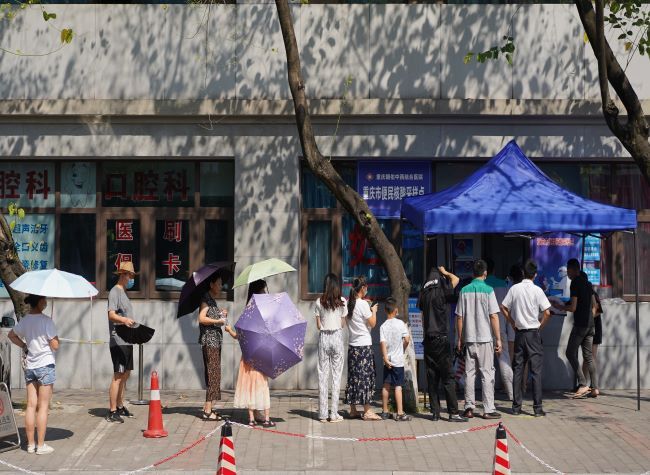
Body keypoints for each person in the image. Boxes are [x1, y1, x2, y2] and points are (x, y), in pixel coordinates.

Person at [8, 294, 59, 455]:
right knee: (43, 407)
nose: (45, 301)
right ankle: (41, 445)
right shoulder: (46, 321)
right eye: (43, 299)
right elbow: (55, 345)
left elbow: (11, 335)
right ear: (39, 302)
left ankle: (30, 445)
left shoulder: (25, 320)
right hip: (45, 366)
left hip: (30, 366)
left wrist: (24, 346)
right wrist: (53, 338)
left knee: (31, 405)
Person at [501, 259, 552, 417]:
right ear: (535, 274)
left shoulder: (514, 289)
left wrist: (512, 322)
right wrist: (539, 326)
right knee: (535, 371)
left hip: (519, 333)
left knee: (518, 369)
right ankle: (537, 408)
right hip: (533, 333)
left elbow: (503, 307)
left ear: (523, 273)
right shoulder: (537, 290)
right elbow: (547, 312)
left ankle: (516, 407)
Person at [418, 266, 467, 422]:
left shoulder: (424, 292)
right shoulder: (442, 288)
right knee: (448, 377)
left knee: (432, 378)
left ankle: (435, 413)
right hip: (441, 337)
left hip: (428, 340)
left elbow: (421, 315)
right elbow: (456, 280)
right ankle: (453, 413)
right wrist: (445, 272)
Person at [224, 279, 276, 428]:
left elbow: (240, 337)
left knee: (250, 386)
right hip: (261, 354)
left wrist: (230, 331)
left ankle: (252, 418)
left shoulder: (248, 310)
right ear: (260, 291)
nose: (266, 292)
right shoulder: (265, 310)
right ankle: (266, 418)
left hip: (248, 355)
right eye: (264, 290)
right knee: (262, 386)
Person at [455, 259, 502, 420]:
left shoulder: (463, 290)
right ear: (485, 273)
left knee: (469, 374)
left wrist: (459, 339)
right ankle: (488, 409)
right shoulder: (489, 290)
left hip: (469, 339)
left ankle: (469, 408)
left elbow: (459, 317)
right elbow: (494, 316)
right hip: (485, 339)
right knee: (487, 374)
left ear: (472, 273)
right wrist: (499, 339)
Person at [560, 260, 598, 398]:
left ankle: (582, 384)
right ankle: (595, 388)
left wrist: (561, 307)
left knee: (570, 352)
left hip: (580, 325)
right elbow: (594, 305)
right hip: (590, 324)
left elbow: (573, 307)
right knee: (588, 356)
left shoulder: (575, 282)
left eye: (568, 270)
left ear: (573, 269)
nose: (567, 273)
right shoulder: (587, 284)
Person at [344, 276, 381, 421]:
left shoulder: (349, 304)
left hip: (353, 346)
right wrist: (374, 310)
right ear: (362, 288)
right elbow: (372, 323)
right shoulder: (363, 305)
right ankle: (367, 410)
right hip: (364, 346)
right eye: (366, 288)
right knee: (366, 378)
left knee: (354, 377)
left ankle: (353, 409)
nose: (367, 290)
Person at [106, 261, 138, 423]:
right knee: (118, 375)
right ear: (123, 275)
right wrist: (124, 319)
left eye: (133, 275)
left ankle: (119, 405)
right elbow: (111, 314)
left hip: (127, 340)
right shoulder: (115, 292)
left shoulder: (124, 293)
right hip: (118, 340)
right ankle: (112, 410)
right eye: (130, 275)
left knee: (126, 374)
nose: (132, 278)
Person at [314, 273, 347, 423]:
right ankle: (333, 414)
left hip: (324, 338)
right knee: (336, 375)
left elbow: (318, 325)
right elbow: (342, 324)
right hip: (337, 337)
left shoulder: (318, 302)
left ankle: (322, 414)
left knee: (323, 375)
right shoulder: (342, 301)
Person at [197, 272, 228, 420]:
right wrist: (219, 321)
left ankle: (207, 406)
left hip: (215, 341)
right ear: (211, 284)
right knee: (213, 373)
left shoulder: (212, 301)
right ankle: (208, 411)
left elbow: (210, 315)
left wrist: (220, 313)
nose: (221, 286)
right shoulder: (206, 299)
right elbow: (202, 318)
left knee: (214, 373)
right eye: (219, 283)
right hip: (210, 341)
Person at [484, 258, 514, 402]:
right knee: (504, 361)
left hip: (484, 331)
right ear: (494, 270)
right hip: (501, 328)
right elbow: (508, 308)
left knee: (486, 366)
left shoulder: (482, 285)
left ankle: (488, 398)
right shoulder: (504, 284)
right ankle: (511, 394)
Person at [378, 297, 411, 421]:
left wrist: (385, 358)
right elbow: (407, 339)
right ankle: (400, 412)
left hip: (387, 360)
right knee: (398, 386)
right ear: (396, 310)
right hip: (398, 360)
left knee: (386, 385)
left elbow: (382, 343)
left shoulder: (383, 326)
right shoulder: (400, 324)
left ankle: (385, 411)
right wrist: (402, 347)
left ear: (385, 311)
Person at [583, 288, 603, 397]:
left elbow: (598, 311)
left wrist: (585, 317)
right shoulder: (579, 293)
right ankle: (583, 384)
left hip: (594, 329)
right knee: (587, 358)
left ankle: (593, 386)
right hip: (585, 329)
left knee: (591, 357)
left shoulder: (592, 294)